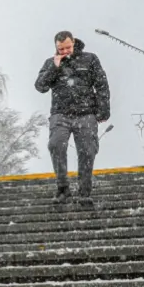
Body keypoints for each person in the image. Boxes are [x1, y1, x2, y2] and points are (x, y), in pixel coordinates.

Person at [34, 31, 110, 206]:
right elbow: (40, 86)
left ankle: (84, 192)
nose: (65, 51)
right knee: (55, 144)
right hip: (60, 114)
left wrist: (103, 111)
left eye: (68, 47)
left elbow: (101, 84)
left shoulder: (90, 59)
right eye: (61, 49)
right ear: (56, 47)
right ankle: (63, 189)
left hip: (86, 114)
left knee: (88, 151)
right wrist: (55, 66)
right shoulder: (50, 63)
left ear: (74, 42)